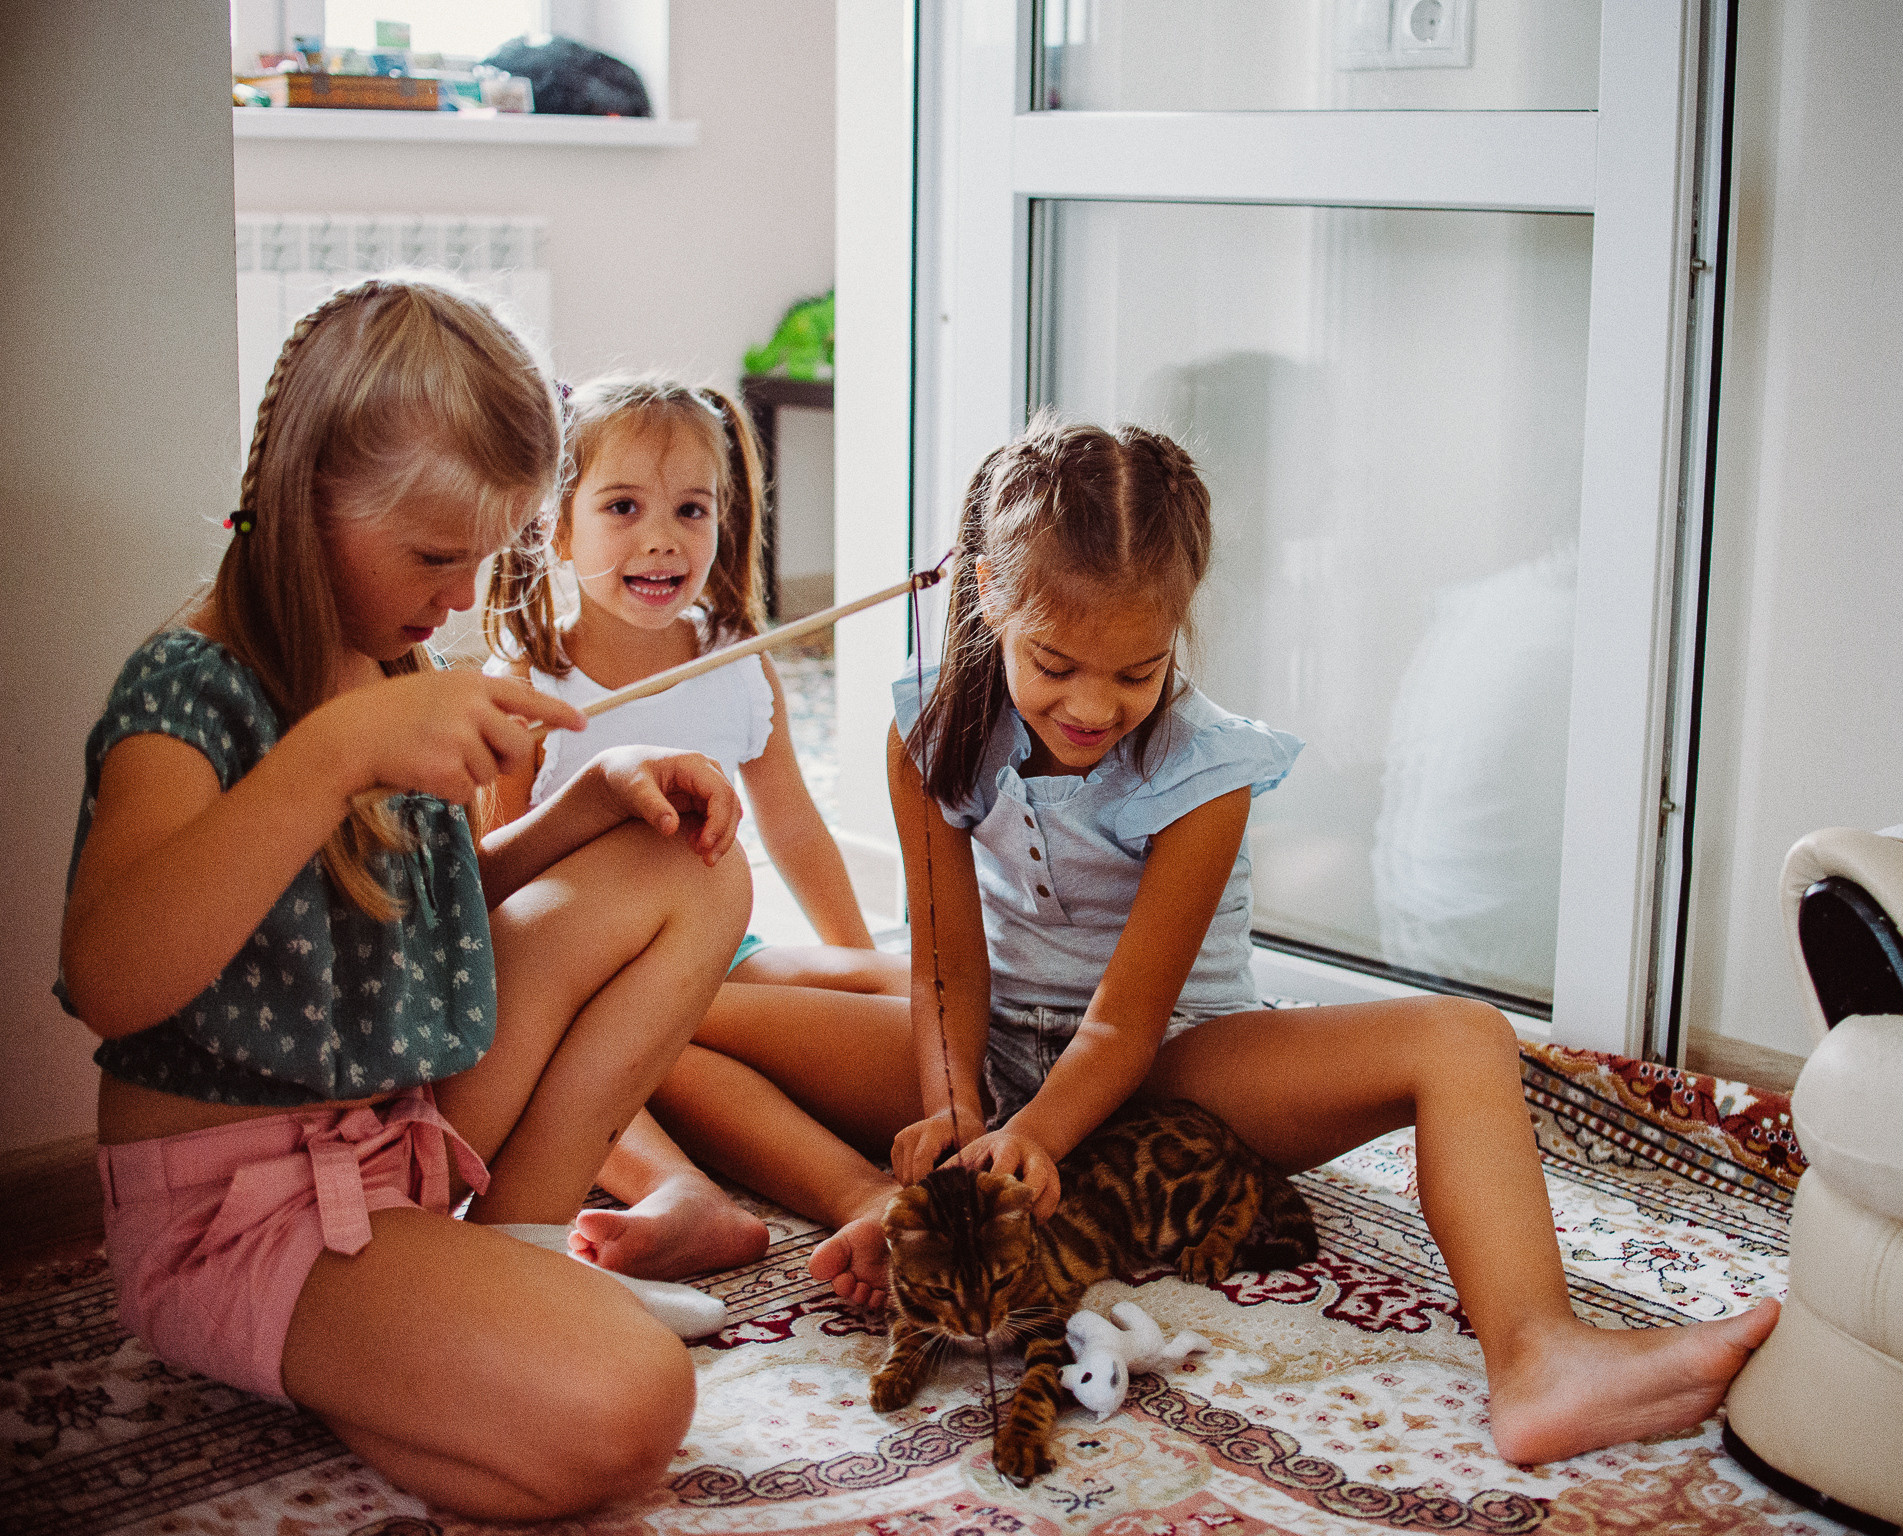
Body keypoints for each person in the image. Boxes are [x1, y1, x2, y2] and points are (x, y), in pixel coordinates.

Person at [807, 416, 1781, 1466]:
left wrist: (1038, 1135)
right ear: (988, 592)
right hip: (998, 1044)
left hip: (1172, 1071)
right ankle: (861, 1204)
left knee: (1462, 1038)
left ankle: (1538, 1356)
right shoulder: (926, 730)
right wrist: (952, 1103)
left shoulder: (1205, 770)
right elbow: (943, 965)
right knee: (693, 1020)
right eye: (1054, 663)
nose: (1092, 704)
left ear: (1179, 629)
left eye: (1135, 673)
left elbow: (1124, 1024)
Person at [57, 277, 754, 1521]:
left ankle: (514, 1251)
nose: (455, 594)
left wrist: (584, 808)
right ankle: (387, 1343)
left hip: (399, 1134)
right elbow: (112, 979)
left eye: (484, 558)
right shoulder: (188, 691)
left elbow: (421, 923)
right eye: (435, 556)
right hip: (241, 1214)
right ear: (298, 500)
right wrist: (333, 755)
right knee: (630, 1407)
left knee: (682, 863)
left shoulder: (394, 659)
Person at [481, 375, 909, 1279]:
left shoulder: (734, 665)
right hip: (584, 991)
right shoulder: (530, 686)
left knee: (908, 982)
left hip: (727, 947)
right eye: (623, 507)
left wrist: (850, 964)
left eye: (691, 509)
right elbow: (499, 896)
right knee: (633, 1044)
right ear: (557, 528)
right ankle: (720, 1191)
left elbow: (794, 833)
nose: (662, 537)